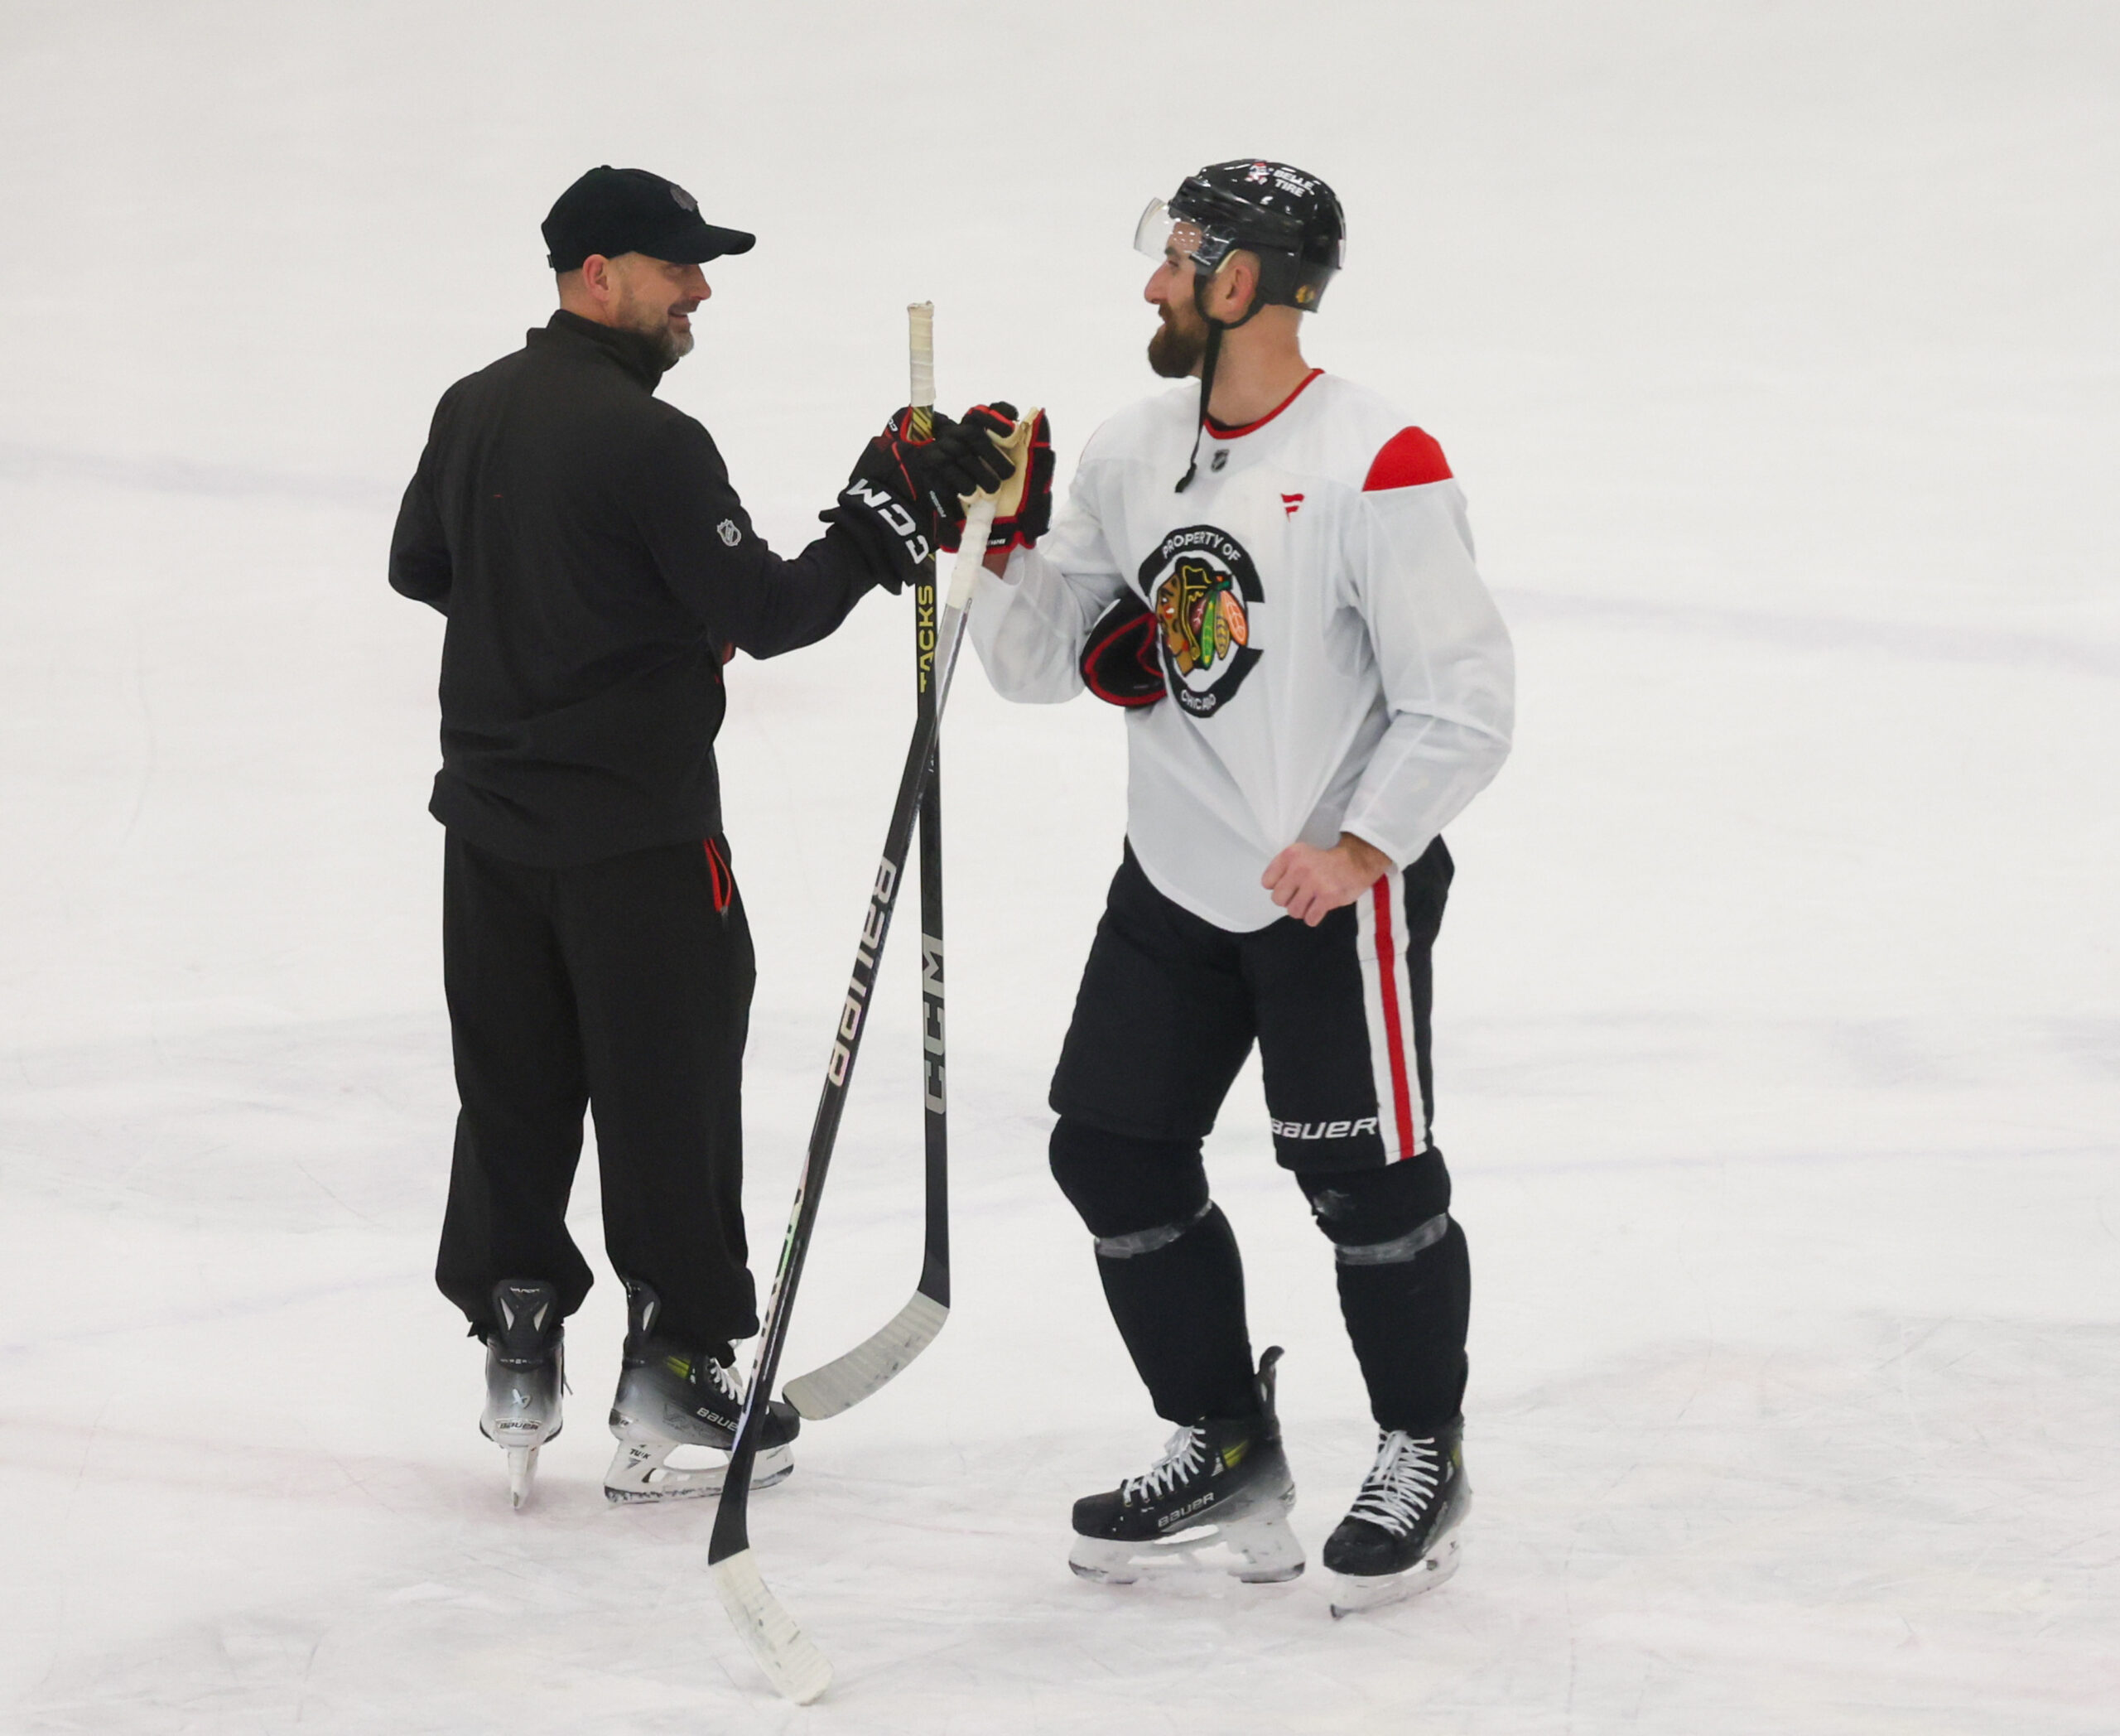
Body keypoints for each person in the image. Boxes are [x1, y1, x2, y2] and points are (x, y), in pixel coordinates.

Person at [388, 164, 1012, 1509]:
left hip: (489, 838)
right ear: (595, 275)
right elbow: (774, 609)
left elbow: (425, 568)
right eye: (677, 270)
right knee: (666, 1084)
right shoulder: (650, 442)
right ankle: (676, 1358)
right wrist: (875, 527)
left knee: (516, 1084)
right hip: (642, 844)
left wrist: (577, 613)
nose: (700, 293)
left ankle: (517, 1331)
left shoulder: (474, 406)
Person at [966, 160, 1515, 1612]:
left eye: (1181, 257)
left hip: (1337, 892)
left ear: (1248, 280)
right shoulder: (1131, 448)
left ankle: (1421, 1449)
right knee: (1112, 1155)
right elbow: (1032, 665)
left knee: (1366, 1185)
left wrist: (1362, 845)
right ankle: (1223, 1442)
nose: (1153, 282)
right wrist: (998, 542)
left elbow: (1462, 700)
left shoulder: (1376, 458)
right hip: (1176, 873)